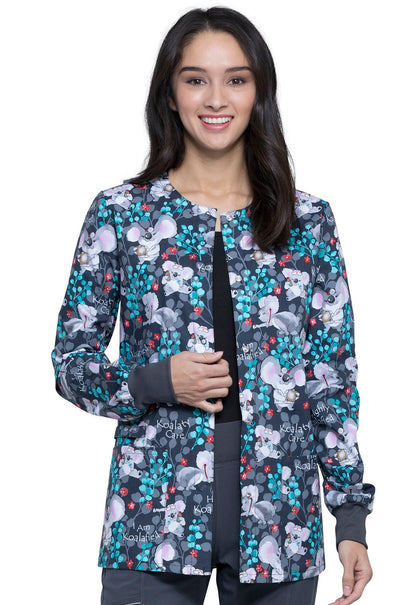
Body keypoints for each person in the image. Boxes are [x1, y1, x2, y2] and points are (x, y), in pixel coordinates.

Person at [51, 6, 375, 605]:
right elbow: (71, 364)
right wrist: (153, 381)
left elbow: (332, 378)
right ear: (170, 95)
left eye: (237, 79)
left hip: (281, 519)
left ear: (259, 93)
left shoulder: (308, 221)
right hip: (152, 516)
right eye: (195, 79)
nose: (216, 98)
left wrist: (349, 518)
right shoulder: (120, 213)